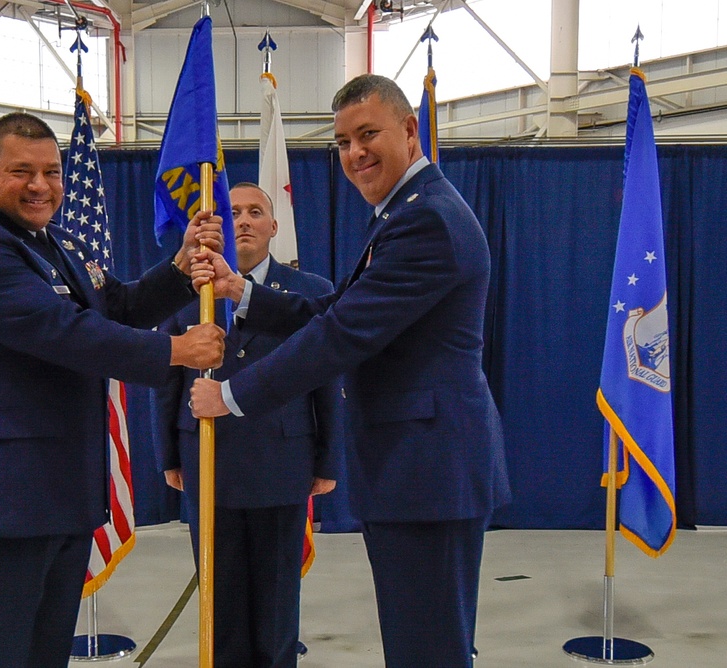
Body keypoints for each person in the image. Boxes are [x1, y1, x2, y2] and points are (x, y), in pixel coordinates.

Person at [189, 74, 511, 668]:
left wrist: (231, 395)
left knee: (429, 649)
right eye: (342, 142)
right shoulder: (408, 211)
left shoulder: (425, 221)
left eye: (368, 135)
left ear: (410, 131)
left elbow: (339, 336)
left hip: (427, 470)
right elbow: (342, 308)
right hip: (420, 467)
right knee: (425, 642)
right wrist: (246, 293)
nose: (355, 154)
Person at [0, 111, 226, 668]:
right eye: (22, 171)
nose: (41, 186)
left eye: (52, 171)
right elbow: (63, 332)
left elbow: (116, 306)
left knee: (44, 653)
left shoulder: (53, 240)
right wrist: (176, 352)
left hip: (59, 486)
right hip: (4, 493)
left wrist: (182, 267)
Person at [152, 183, 340, 668]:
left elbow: (325, 381)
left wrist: (327, 459)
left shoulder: (311, 292)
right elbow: (168, 380)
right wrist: (169, 455)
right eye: (232, 212)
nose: (244, 220)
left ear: (274, 227)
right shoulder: (186, 289)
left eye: (256, 211)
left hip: (280, 463)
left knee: (277, 608)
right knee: (221, 604)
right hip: (207, 461)